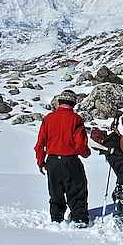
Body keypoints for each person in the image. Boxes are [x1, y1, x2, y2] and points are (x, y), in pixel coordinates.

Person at [34, 90, 91, 226]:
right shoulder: (76, 119)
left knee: (55, 193)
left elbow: (40, 144)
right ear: (73, 103)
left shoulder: (48, 118)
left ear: (59, 102)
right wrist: (86, 153)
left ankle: (56, 220)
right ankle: (79, 219)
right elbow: (80, 145)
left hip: (52, 162)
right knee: (77, 191)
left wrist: (41, 161)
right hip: (71, 161)